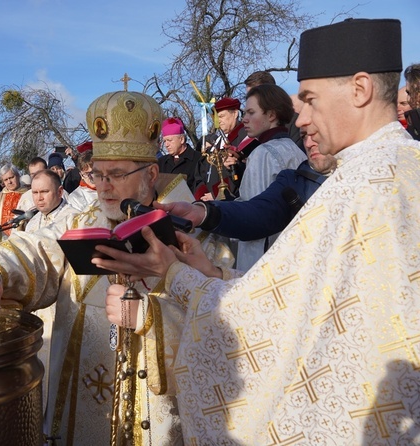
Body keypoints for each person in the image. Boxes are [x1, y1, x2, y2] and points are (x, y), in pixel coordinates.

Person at [99, 18, 420, 444]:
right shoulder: (394, 168)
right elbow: (303, 300)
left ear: (359, 90)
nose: (300, 117)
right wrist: (212, 273)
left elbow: (269, 332)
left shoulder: (368, 187)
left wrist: (174, 275)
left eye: (309, 99)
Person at [0, 90, 233, 444]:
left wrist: (150, 318)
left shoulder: (200, 241)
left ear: (152, 173)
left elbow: (222, 331)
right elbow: (36, 250)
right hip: (81, 414)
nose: (103, 187)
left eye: (117, 174)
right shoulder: (80, 222)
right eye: (98, 173)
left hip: (158, 418)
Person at [195, 133, 335, 240]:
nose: (309, 143)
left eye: (316, 132)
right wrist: (205, 212)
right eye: (304, 135)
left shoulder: (264, 153)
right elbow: (260, 211)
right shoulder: (292, 178)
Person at [234, 83, 306, 271]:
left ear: (271, 115)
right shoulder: (296, 151)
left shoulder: (263, 153)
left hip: (262, 259)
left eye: (251, 113)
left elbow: (254, 213)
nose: (244, 120)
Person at [198, 97, 248, 200]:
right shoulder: (217, 141)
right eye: (217, 117)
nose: (218, 121)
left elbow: (245, 172)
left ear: (235, 114)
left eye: (221, 116)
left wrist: (216, 193)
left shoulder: (244, 136)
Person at [157, 117, 200, 193]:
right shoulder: (161, 162)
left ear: (182, 139)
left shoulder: (198, 159)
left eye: (170, 140)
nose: (166, 145)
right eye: (165, 141)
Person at [0, 165, 28, 234]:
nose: (9, 182)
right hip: (1, 237)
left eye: (11, 177)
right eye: (6, 180)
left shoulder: (28, 194)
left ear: (18, 176)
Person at [65, 145, 98, 212]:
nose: (91, 177)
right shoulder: (75, 197)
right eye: (86, 174)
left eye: (93, 172)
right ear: (81, 175)